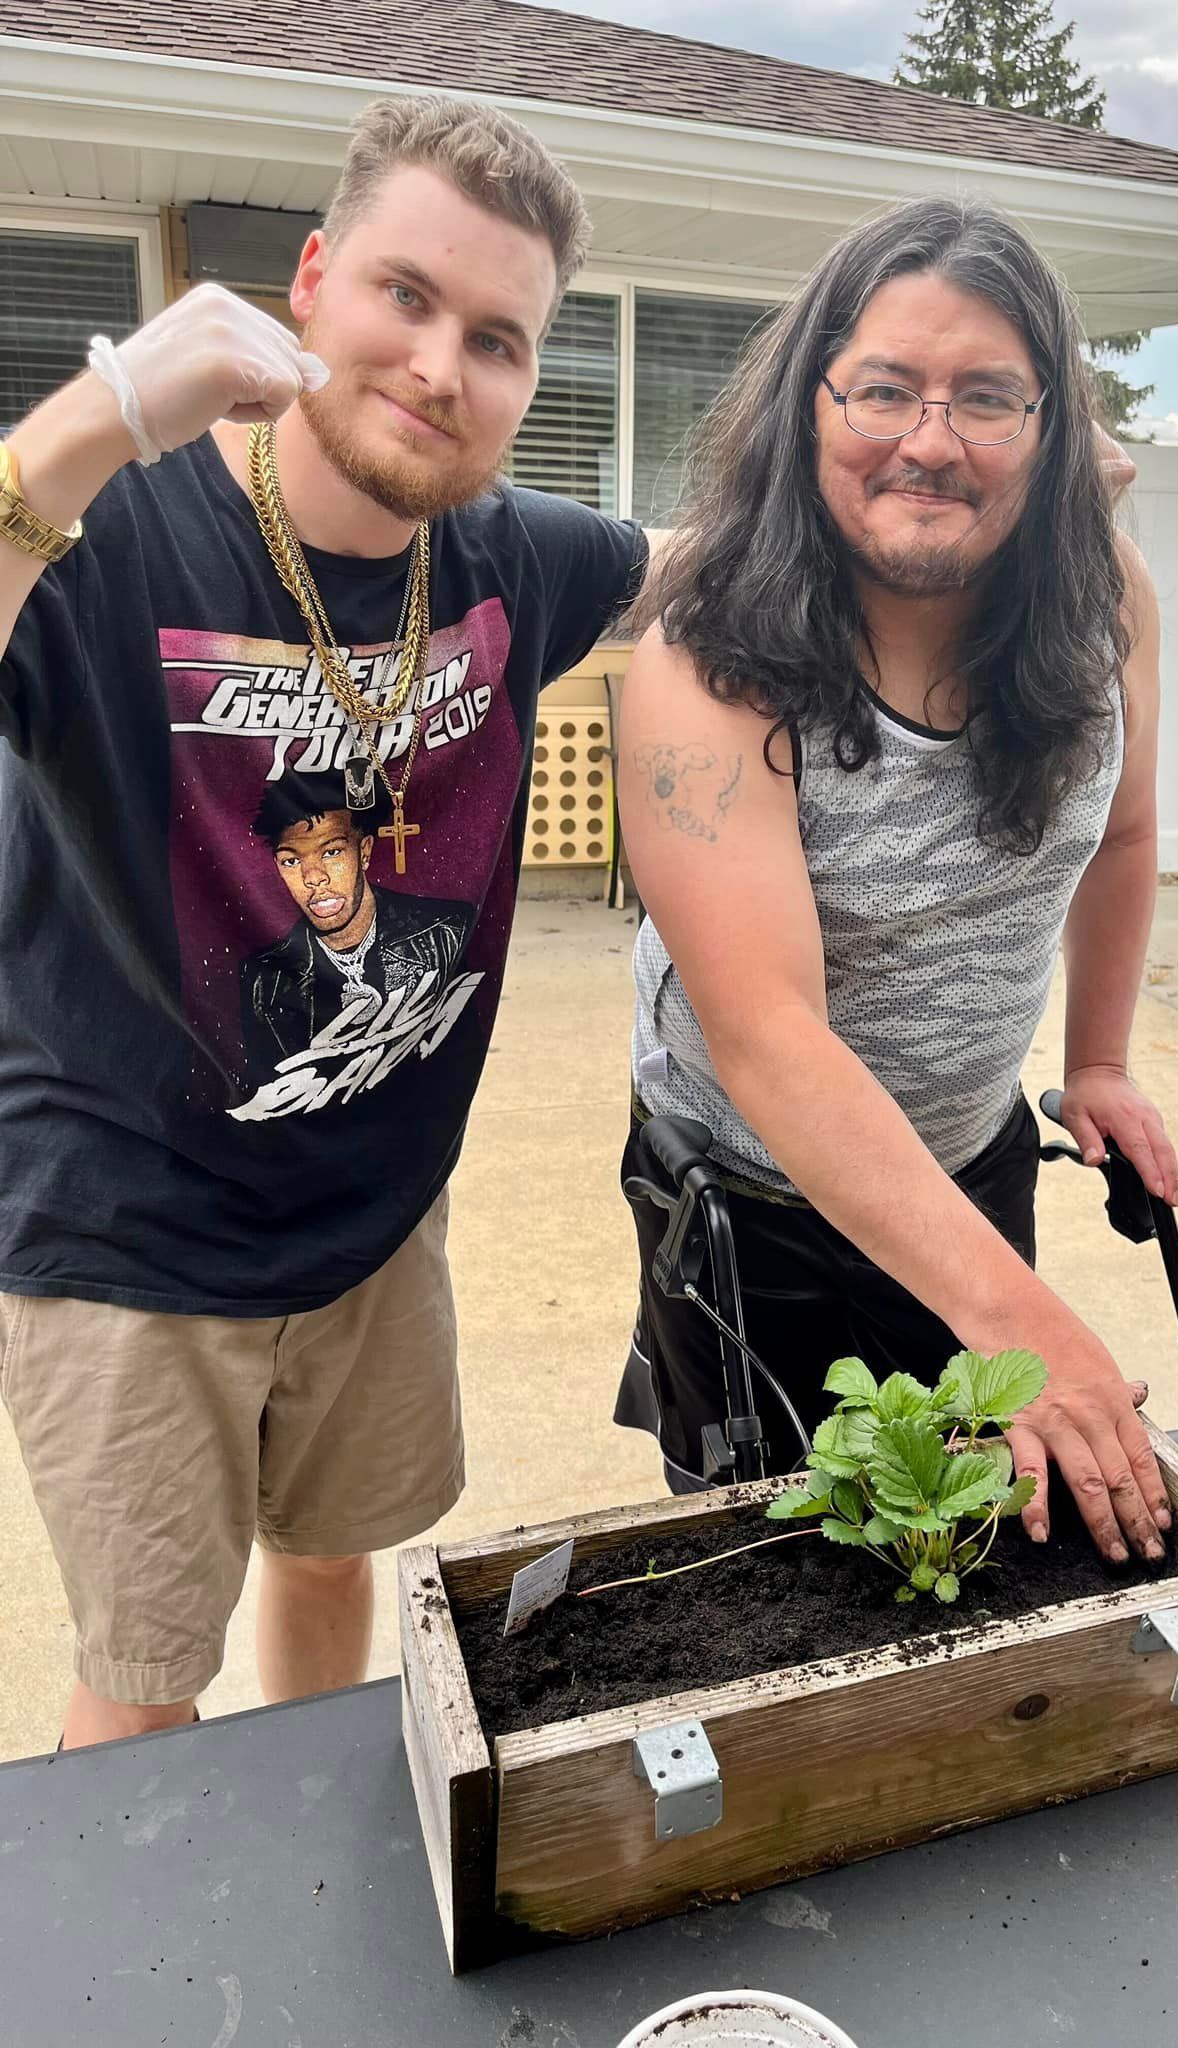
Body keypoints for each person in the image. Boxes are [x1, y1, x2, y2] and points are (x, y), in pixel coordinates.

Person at [0, 94, 646, 1748]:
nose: (442, 367)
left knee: (337, 1564)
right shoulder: (112, 533)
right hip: (135, 1239)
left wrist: (974, 505)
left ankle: (325, 1912)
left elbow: (723, 562)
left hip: (372, 1217)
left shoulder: (516, 553)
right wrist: (89, 421)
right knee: (146, 1679)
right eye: (406, 298)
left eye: (498, 340)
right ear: (310, 281)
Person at [614, 196, 1178, 1568]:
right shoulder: (706, 663)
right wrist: (1032, 1327)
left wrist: (1097, 1061)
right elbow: (768, 1037)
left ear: (1046, 434)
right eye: (885, 389)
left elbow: (1127, 831)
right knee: (780, 1574)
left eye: (989, 398)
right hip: (752, 1212)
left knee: (978, 1543)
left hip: (974, 1159)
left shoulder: (1106, 606)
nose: (931, 441)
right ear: (810, 404)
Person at [242, 773, 474, 1073]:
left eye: (332, 852)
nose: (313, 877)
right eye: (291, 861)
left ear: (364, 852)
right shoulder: (265, 979)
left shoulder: (443, 933)